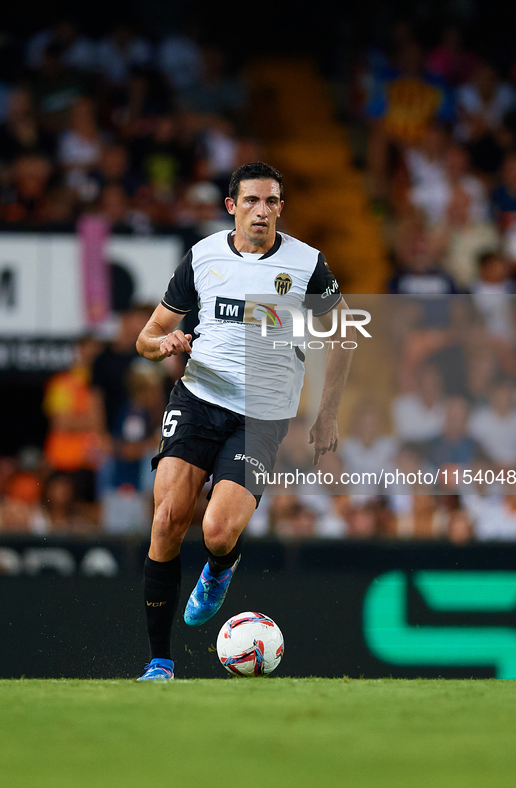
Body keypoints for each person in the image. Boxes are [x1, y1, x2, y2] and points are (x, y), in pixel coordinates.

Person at [134, 161, 351, 680]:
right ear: (231, 206)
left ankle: (221, 566)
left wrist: (326, 415)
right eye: (252, 200)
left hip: (264, 415)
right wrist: (161, 344)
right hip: (199, 397)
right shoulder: (203, 257)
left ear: (281, 207)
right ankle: (159, 663)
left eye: (272, 201)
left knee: (217, 529)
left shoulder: (306, 264)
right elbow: (147, 336)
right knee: (165, 523)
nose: (262, 210)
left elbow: (342, 335)